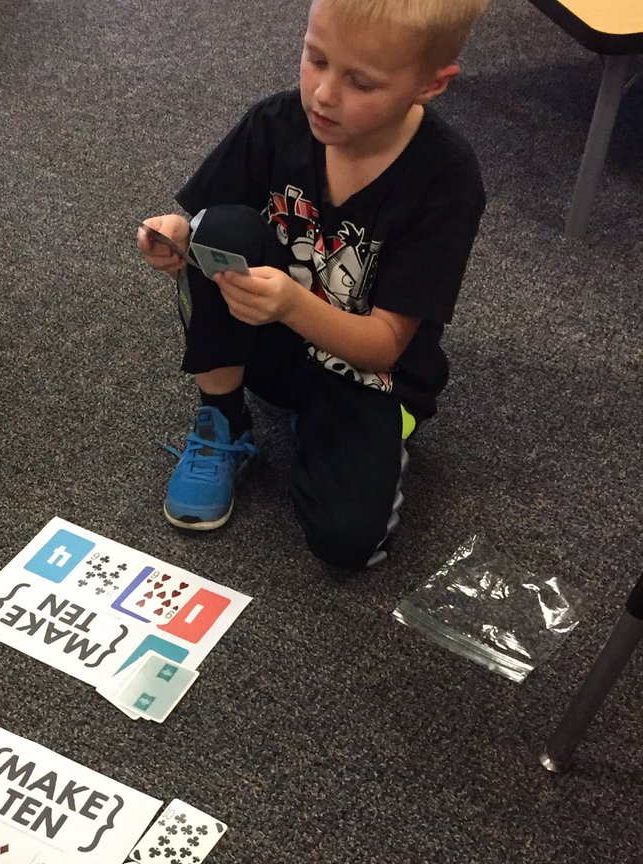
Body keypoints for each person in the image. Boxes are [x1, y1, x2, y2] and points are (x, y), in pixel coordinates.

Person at [139, 0, 488, 568]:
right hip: (271, 345)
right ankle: (223, 418)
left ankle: (344, 436)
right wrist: (173, 235)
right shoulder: (276, 123)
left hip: (367, 377)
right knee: (216, 225)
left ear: (431, 85)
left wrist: (294, 304)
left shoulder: (445, 180)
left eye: (361, 82)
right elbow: (201, 227)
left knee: (347, 543)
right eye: (315, 58)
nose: (324, 95)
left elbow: (383, 346)